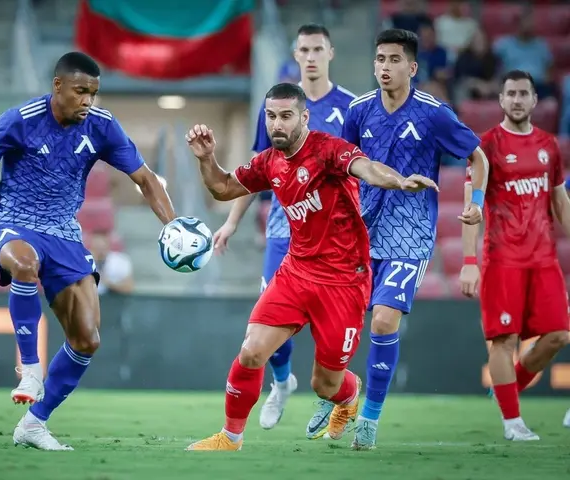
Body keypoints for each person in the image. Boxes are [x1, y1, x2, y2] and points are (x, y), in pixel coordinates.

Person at [0, 52, 176, 451]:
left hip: (64, 233)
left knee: (87, 339)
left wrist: (173, 225)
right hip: (15, 221)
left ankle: (34, 423)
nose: (88, 101)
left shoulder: (102, 126)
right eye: (80, 91)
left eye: (93, 93)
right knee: (24, 264)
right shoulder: (20, 120)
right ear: (58, 86)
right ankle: (29, 369)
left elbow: (145, 178)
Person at [184, 82, 439, 451]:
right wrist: (207, 159)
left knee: (325, 384)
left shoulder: (327, 150)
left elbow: (367, 168)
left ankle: (349, 398)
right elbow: (223, 188)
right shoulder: (269, 162)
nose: (277, 124)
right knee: (252, 351)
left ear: (304, 117)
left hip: (344, 281)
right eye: (271, 116)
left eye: (286, 116)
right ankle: (230, 437)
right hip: (296, 272)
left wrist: (398, 181)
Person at [306, 28, 489, 450]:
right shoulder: (358, 111)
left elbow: (477, 157)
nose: (384, 67)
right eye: (380, 59)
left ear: (412, 67)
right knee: (336, 323)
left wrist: (476, 202)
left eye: (393, 59)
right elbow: (342, 166)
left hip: (410, 234)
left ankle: (369, 420)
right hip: (359, 234)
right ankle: (339, 394)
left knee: (384, 320)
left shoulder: (433, 113)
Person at [211, 23, 356, 430]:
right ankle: (281, 383)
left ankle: (332, 390)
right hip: (283, 228)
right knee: (268, 322)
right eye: (303, 50)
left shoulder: (351, 107)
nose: (310, 57)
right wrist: (232, 222)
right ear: (295, 55)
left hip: (332, 238)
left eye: (317, 49)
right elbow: (255, 171)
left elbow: (358, 167)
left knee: (326, 337)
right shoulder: (275, 107)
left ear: (330, 53)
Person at [459, 70, 570, 441]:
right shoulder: (486, 146)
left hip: (544, 260)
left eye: (524, 94)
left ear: (535, 100)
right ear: (501, 100)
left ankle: (509, 387)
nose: (518, 100)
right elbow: (471, 207)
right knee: (504, 340)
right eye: (511, 94)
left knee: (559, 335)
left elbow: (560, 202)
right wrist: (469, 262)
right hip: (503, 258)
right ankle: (512, 423)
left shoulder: (549, 145)